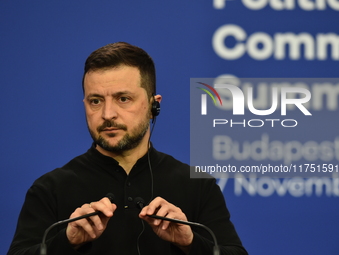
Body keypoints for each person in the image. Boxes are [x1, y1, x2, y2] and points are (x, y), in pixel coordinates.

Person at [7, 42, 247, 255]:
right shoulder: (50, 189)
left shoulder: (197, 186)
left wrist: (190, 243)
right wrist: (66, 242)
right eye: (95, 101)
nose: (107, 114)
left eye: (123, 99)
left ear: (154, 105)